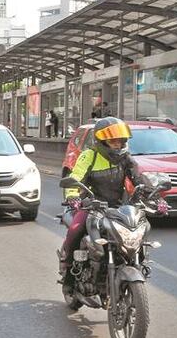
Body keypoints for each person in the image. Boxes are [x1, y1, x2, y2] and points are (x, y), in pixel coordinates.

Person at [58, 117, 167, 281]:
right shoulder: (89, 156)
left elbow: (139, 179)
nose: (118, 144)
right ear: (102, 141)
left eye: (120, 140)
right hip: (91, 206)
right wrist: (73, 196)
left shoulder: (125, 158)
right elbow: (76, 178)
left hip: (118, 208)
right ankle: (66, 262)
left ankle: (136, 263)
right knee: (76, 228)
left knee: (140, 229)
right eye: (113, 141)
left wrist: (157, 198)